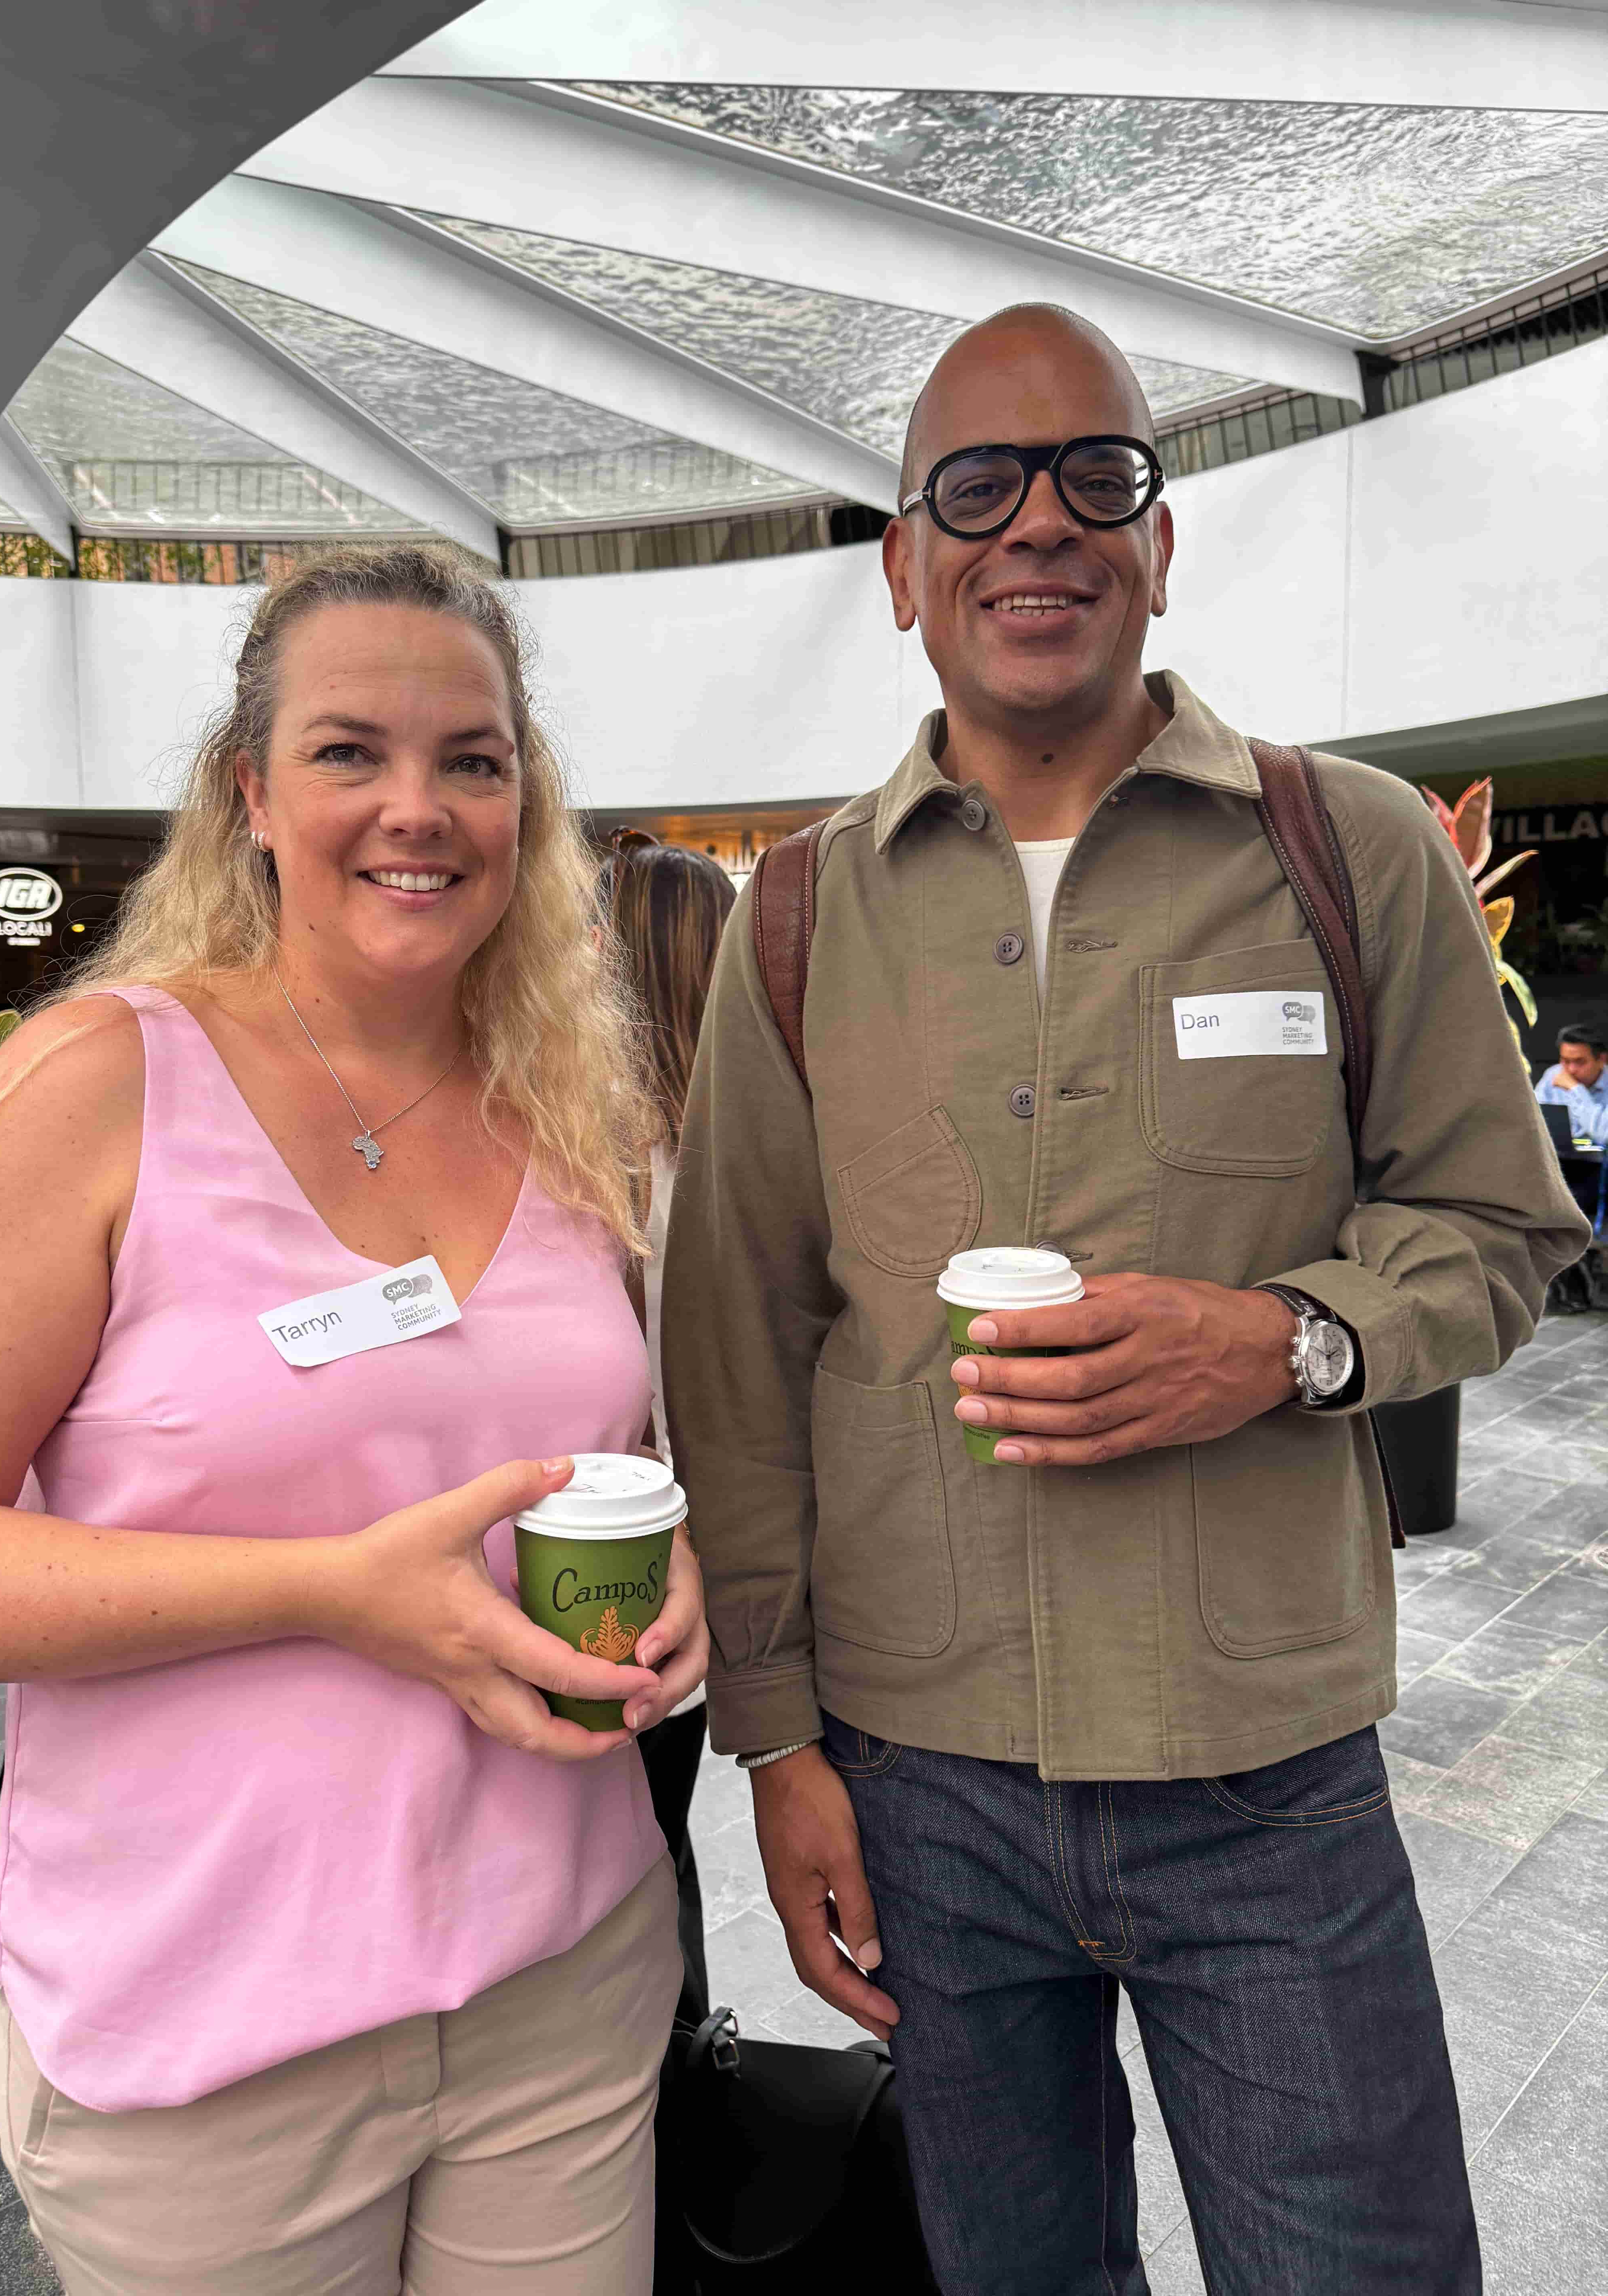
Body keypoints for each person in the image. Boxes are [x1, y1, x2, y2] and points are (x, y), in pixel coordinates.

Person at [662, 305, 1588, 2296]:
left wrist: (1281, 1337)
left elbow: (1498, 1233)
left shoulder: (1337, 850)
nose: (1040, 525)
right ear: (904, 568)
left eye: (1100, 473)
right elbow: (731, 1347)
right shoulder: (803, 917)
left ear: (1161, 543)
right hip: (921, 1786)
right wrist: (779, 1739)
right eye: (972, 487)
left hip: (1262, 1778)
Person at [0, 543, 709, 2295]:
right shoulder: (101, 1081)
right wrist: (327, 1586)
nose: (417, 807)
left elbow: (572, 1457)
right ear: (246, 792)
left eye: (472, 761)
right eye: (351, 751)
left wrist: (673, 1559)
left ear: (523, 804)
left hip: (557, 1986)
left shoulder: (569, 1111)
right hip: (210, 2041)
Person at [599, 838, 738, 2026]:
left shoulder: (586, 1155)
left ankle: (667, 2098)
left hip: (619, 1546)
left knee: (624, 1857)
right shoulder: (750, 1145)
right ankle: (694, 2071)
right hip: (726, 1529)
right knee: (664, 1842)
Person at [1535, 1019, 1608, 1142]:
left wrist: (1576, 1089)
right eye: (1566, 1061)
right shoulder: (1553, 1075)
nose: (1571, 1070)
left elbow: (1603, 1135)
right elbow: (1533, 1120)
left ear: (1602, 1060)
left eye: (1580, 1062)